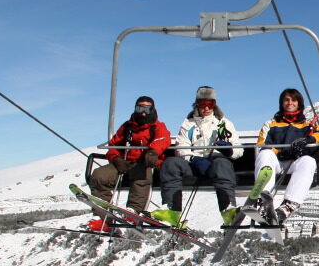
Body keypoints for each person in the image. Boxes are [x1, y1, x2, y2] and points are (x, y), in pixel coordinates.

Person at [154, 86, 242, 226]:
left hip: (215, 165)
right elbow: (181, 147)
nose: (207, 108)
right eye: (203, 104)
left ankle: (228, 209)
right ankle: (172, 210)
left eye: (210, 104)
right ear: (197, 105)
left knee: (222, 163)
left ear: (214, 105)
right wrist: (193, 158)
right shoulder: (188, 124)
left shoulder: (224, 124)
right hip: (193, 165)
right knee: (171, 163)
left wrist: (228, 151)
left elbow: (239, 150)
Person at [87, 96, 170, 232]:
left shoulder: (157, 127)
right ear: (135, 109)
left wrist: (153, 152)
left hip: (143, 163)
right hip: (124, 162)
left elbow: (163, 139)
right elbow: (114, 145)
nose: (143, 112)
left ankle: (134, 211)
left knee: (141, 176)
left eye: (147, 109)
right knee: (99, 176)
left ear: (152, 110)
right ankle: (103, 217)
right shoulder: (127, 127)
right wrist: (115, 158)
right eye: (140, 108)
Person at [252, 88, 319, 225]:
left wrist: (308, 140)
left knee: (308, 161)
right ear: (281, 103)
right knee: (265, 154)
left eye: (294, 100)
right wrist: (284, 151)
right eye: (286, 100)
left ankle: (288, 206)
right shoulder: (271, 124)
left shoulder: (307, 125)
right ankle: (264, 198)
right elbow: (262, 144)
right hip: (275, 163)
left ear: (299, 103)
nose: (290, 103)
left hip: (295, 164)